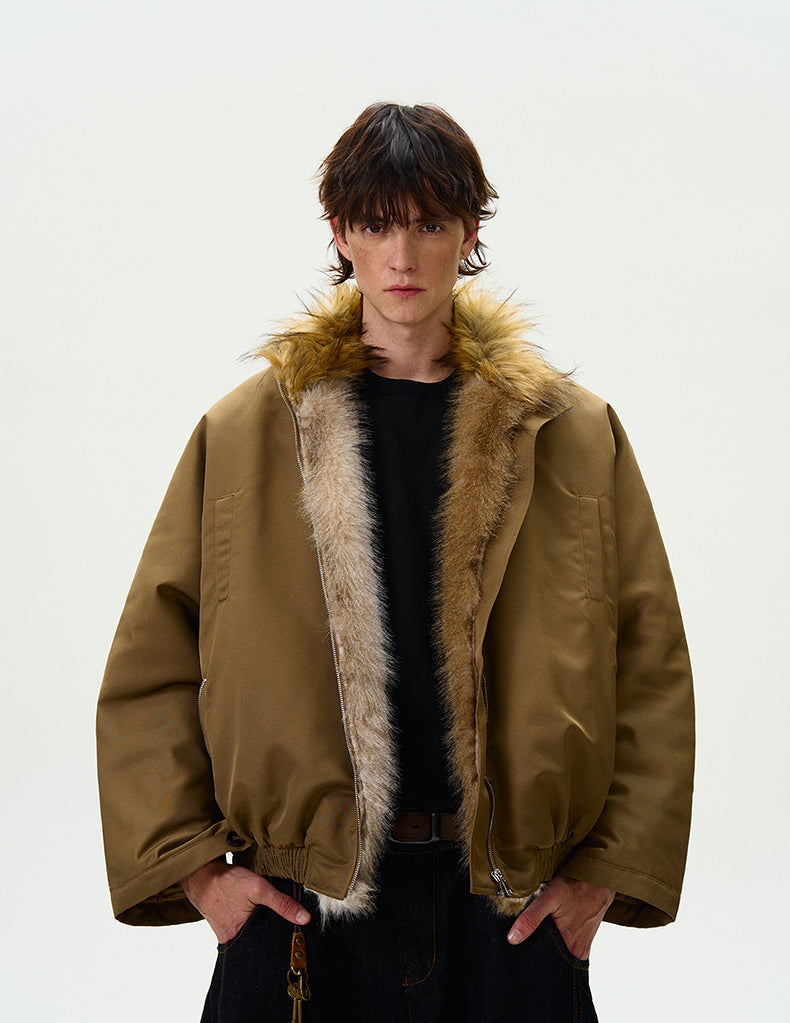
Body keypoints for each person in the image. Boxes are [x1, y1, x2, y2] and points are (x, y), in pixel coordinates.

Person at [97, 102, 694, 1022]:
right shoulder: (248, 433)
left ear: (470, 233)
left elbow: (651, 663)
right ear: (340, 234)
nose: (403, 256)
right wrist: (199, 873)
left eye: (429, 223)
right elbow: (152, 662)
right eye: (376, 225)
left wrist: (601, 876)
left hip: (511, 906)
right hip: (302, 904)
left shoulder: (572, 434)